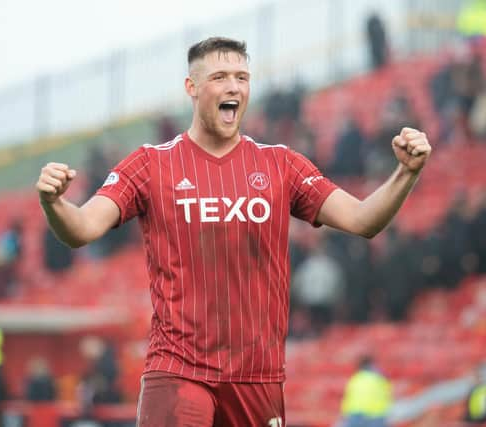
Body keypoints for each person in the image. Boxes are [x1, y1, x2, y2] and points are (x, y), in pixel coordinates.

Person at [35, 36, 431, 427]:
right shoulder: (150, 165)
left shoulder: (281, 165)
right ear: (192, 87)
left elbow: (364, 220)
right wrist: (55, 204)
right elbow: (82, 229)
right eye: (220, 76)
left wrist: (406, 173)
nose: (234, 87)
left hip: (257, 376)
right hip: (178, 368)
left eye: (242, 77)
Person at [340, 356, 392, 427]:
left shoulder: (355, 378)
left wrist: (345, 415)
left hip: (355, 414)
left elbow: (348, 398)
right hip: (376, 415)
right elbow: (388, 395)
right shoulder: (379, 378)